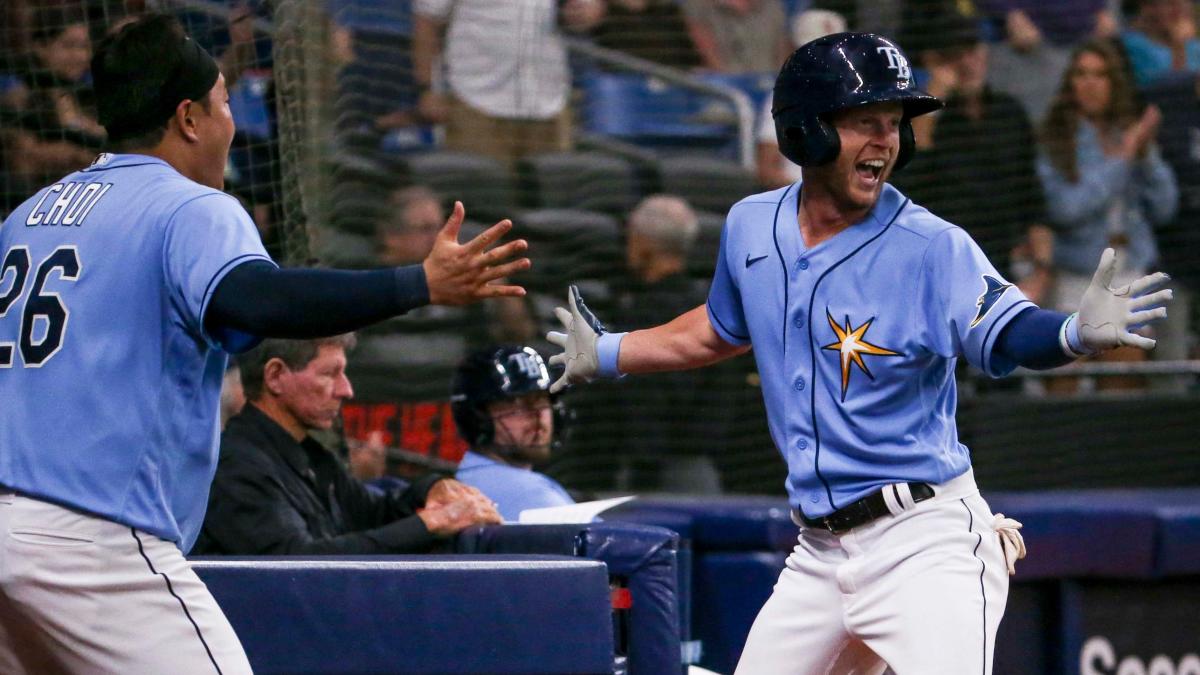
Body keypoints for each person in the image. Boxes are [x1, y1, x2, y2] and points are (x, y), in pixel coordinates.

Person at [546, 32, 1173, 673]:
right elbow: (719, 328)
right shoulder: (750, 225)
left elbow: (1009, 330)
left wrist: (1070, 334)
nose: (887, 140)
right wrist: (611, 350)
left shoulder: (932, 246)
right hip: (818, 551)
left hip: (923, 540)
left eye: (895, 124)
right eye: (864, 122)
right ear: (807, 130)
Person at [0, 14, 527, 673]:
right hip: (94, 537)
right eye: (224, 103)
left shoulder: (30, 214)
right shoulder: (189, 205)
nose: (229, 124)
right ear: (189, 118)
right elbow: (259, 299)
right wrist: (417, 281)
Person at [196, 336, 500, 554]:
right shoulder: (235, 465)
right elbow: (295, 564)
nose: (347, 390)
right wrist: (433, 522)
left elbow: (374, 513)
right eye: (330, 373)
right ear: (276, 376)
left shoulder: (308, 455)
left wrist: (432, 489)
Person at [1037, 39, 1179, 388]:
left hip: (1129, 271)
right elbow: (1066, 209)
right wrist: (1123, 159)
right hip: (1077, 273)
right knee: (1064, 381)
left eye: (1100, 75)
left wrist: (1145, 157)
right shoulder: (1056, 138)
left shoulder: (1128, 134)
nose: (1090, 83)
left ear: (1113, 83)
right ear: (1070, 82)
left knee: (1123, 383)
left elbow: (1165, 208)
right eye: (1082, 74)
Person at [897, 9, 1053, 304]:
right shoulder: (916, 123)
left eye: (972, 50)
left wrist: (1042, 269)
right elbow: (907, 191)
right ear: (934, 62)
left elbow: (1032, 196)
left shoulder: (1009, 113)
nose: (967, 63)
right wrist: (931, 108)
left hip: (1006, 271)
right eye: (954, 55)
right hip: (939, 275)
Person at [412, 0, 605, 165]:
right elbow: (426, 19)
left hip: (548, 105)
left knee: (551, 203)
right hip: (476, 103)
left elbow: (590, 9)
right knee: (478, 201)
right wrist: (427, 89)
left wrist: (587, 11)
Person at [450, 345, 576, 521]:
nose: (539, 415)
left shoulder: (467, 477)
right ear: (478, 418)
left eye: (543, 399)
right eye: (518, 403)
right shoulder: (529, 492)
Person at [1121, 0, 1200, 86]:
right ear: (1148, 8)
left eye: (1183, 4)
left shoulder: (1193, 44)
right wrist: (1178, 48)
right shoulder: (1133, 45)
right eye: (1171, 4)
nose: (1178, 12)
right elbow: (1170, 89)